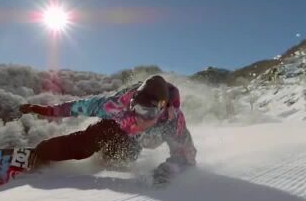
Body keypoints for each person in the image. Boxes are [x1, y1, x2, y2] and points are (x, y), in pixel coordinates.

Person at [19, 75, 197, 184]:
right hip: (119, 129)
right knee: (87, 141)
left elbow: (187, 155)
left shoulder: (173, 121)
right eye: (138, 109)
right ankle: (42, 152)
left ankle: (105, 160)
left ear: (161, 109)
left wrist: (166, 171)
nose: (140, 118)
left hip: (135, 143)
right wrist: (40, 109)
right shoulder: (118, 105)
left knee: (117, 159)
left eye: (148, 112)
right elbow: (76, 107)